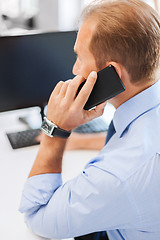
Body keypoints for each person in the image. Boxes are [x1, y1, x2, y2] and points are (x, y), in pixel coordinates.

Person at [19, 0, 160, 239]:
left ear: (111, 73)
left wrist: (56, 128)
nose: (75, 69)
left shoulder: (120, 175)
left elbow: (36, 216)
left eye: (79, 58)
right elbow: (134, 142)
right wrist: (80, 141)